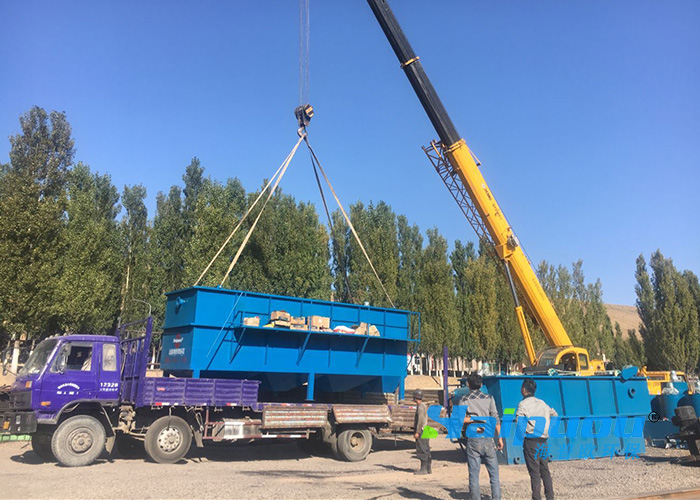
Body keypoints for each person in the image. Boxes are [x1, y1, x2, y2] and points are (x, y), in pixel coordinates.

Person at [459, 373, 502, 500]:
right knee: (494, 474)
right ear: (481, 384)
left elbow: (460, 419)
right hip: (488, 437)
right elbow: (495, 418)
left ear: (468, 384)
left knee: (474, 474)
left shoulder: (464, 399)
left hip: (473, 438)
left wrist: (473, 419)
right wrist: (500, 438)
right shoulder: (489, 398)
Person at [516, 378, 557, 500]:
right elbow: (555, 414)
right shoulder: (542, 403)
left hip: (531, 442)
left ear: (523, 389)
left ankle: (536, 497)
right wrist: (549, 428)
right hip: (543, 442)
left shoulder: (523, 404)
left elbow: (519, 423)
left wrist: (521, 436)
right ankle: (550, 496)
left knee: (534, 473)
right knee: (545, 471)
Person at [413, 389, 431, 475]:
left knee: (422, 449)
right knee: (426, 449)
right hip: (426, 429)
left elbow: (420, 420)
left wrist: (417, 432)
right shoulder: (424, 405)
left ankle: (423, 469)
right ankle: (428, 468)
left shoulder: (420, 407)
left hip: (422, 430)